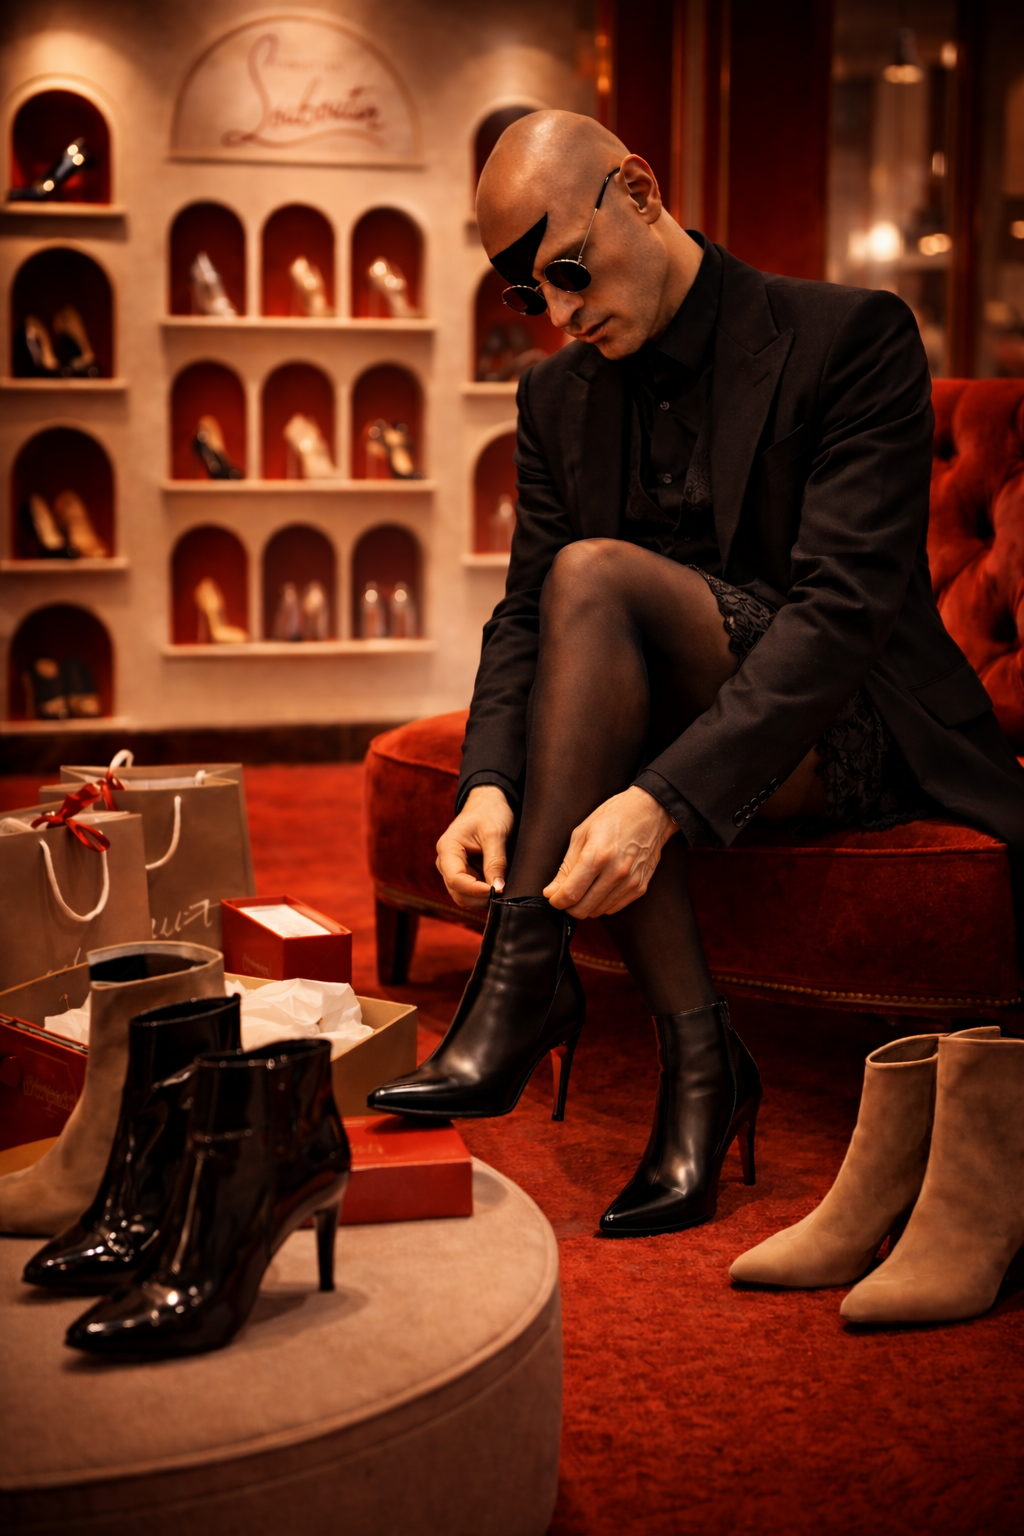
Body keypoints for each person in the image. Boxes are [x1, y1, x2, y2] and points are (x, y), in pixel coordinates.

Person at [370, 110, 1024, 1237]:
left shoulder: (850, 335)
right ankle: (699, 1066)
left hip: (849, 717)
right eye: (531, 296)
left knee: (594, 577)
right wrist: (487, 784)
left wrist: (660, 803)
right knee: (577, 599)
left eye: (569, 271)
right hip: (667, 713)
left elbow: (841, 615)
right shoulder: (556, 398)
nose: (561, 317)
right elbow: (523, 614)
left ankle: (525, 974)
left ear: (638, 188)